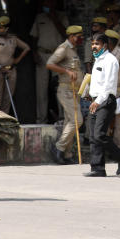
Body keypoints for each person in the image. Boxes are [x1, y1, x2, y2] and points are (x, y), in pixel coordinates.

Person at [84, 33, 120, 177]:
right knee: (92, 136)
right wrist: (90, 94)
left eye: (97, 44)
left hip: (105, 101)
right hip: (95, 100)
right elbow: (97, 82)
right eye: (92, 44)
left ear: (104, 45)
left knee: (100, 135)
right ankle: (98, 168)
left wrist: (98, 101)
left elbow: (109, 85)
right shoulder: (97, 59)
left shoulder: (110, 60)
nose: (94, 47)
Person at [46, 25, 85, 164]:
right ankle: (59, 147)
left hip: (74, 90)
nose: (80, 39)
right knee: (77, 121)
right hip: (66, 90)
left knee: (70, 122)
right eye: (78, 36)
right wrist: (67, 72)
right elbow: (50, 64)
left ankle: (66, 154)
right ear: (71, 36)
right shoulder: (64, 48)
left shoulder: (73, 49)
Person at [30, 0, 68, 123]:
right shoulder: (39, 17)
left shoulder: (62, 16)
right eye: (44, 2)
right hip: (42, 54)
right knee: (41, 89)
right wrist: (34, 52)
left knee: (60, 86)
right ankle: (41, 119)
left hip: (58, 55)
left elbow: (66, 34)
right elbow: (34, 37)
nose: (46, 5)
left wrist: (54, 18)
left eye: (49, 2)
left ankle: (62, 117)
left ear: (54, 3)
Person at [0, 16, 30, 115]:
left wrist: (17, 60)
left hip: (11, 71)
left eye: (1, 28)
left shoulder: (13, 38)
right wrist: (0, 67)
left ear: (7, 28)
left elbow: (27, 48)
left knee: (8, 99)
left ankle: (5, 121)